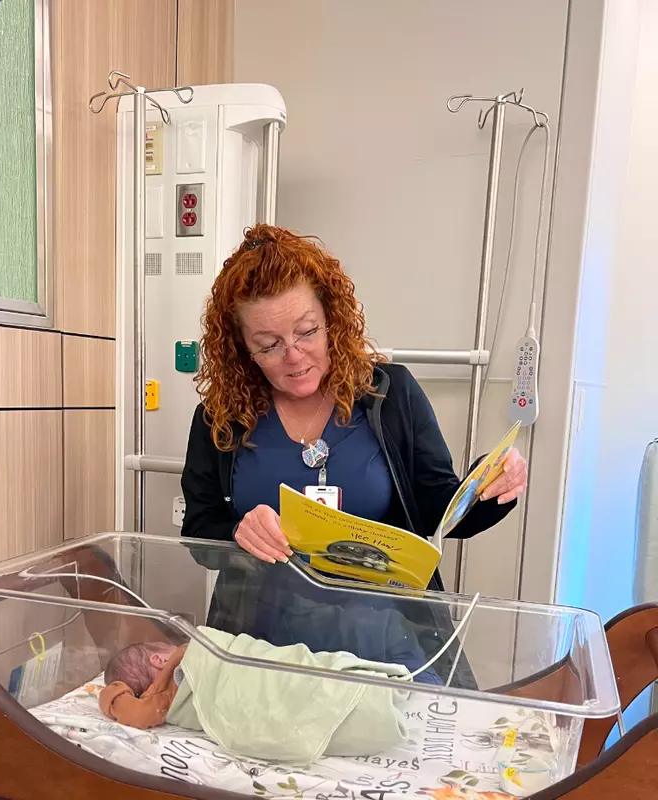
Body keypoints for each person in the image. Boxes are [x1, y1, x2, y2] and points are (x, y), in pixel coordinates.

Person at [179, 223, 528, 677]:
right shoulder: (219, 417)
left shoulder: (390, 395)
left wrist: (488, 485)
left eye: (306, 332)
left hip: (385, 641)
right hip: (261, 645)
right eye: (268, 345)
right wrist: (237, 533)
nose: (294, 356)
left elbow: (438, 512)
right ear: (242, 349)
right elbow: (199, 531)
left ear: (332, 320)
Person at [99, 628, 416, 764]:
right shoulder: (174, 683)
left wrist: (116, 696)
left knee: (292, 672)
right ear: (158, 661)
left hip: (261, 669)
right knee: (306, 684)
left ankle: (370, 696)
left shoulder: (195, 658)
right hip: (278, 681)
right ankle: (373, 698)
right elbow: (136, 714)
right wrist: (112, 694)